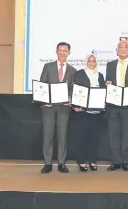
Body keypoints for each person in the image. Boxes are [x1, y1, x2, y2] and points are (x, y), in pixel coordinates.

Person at [105, 40, 128, 171]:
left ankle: (125, 161)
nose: (123, 49)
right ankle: (116, 161)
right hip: (113, 105)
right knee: (113, 134)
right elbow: (108, 82)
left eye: (125, 47)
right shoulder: (110, 65)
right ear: (117, 50)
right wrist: (107, 84)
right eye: (120, 47)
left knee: (127, 134)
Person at [40, 42, 77, 174]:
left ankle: (61, 163)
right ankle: (47, 163)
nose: (62, 53)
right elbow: (42, 85)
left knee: (62, 136)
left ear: (69, 53)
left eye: (65, 51)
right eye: (60, 50)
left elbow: (73, 89)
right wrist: (43, 100)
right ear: (56, 52)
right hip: (48, 107)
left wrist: (71, 98)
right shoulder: (48, 66)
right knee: (47, 136)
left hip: (63, 108)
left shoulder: (73, 70)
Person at [71, 54, 105, 172]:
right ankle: (81, 161)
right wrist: (76, 106)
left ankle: (92, 160)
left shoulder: (100, 76)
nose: (91, 63)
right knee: (81, 138)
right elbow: (76, 91)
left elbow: (103, 92)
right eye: (89, 61)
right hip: (82, 112)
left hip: (96, 113)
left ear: (96, 63)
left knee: (94, 139)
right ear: (86, 62)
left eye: (93, 61)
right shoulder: (79, 74)